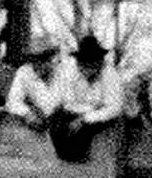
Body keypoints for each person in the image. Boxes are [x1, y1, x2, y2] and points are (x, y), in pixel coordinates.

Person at [48, 33, 124, 163]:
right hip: (70, 112)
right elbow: (58, 97)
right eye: (83, 64)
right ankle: (65, 160)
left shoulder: (111, 75)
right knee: (56, 127)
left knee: (81, 135)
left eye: (92, 65)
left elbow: (114, 107)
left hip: (96, 116)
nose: (86, 70)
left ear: (99, 63)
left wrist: (84, 120)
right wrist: (54, 110)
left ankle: (80, 161)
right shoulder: (68, 70)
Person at [6, 34, 62, 131]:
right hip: (39, 124)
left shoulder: (62, 71)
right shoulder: (24, 72)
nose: (40, 64)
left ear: (51, 58)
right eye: (35, 59)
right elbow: (13, 101)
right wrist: (27, 114)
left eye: (45, 59)